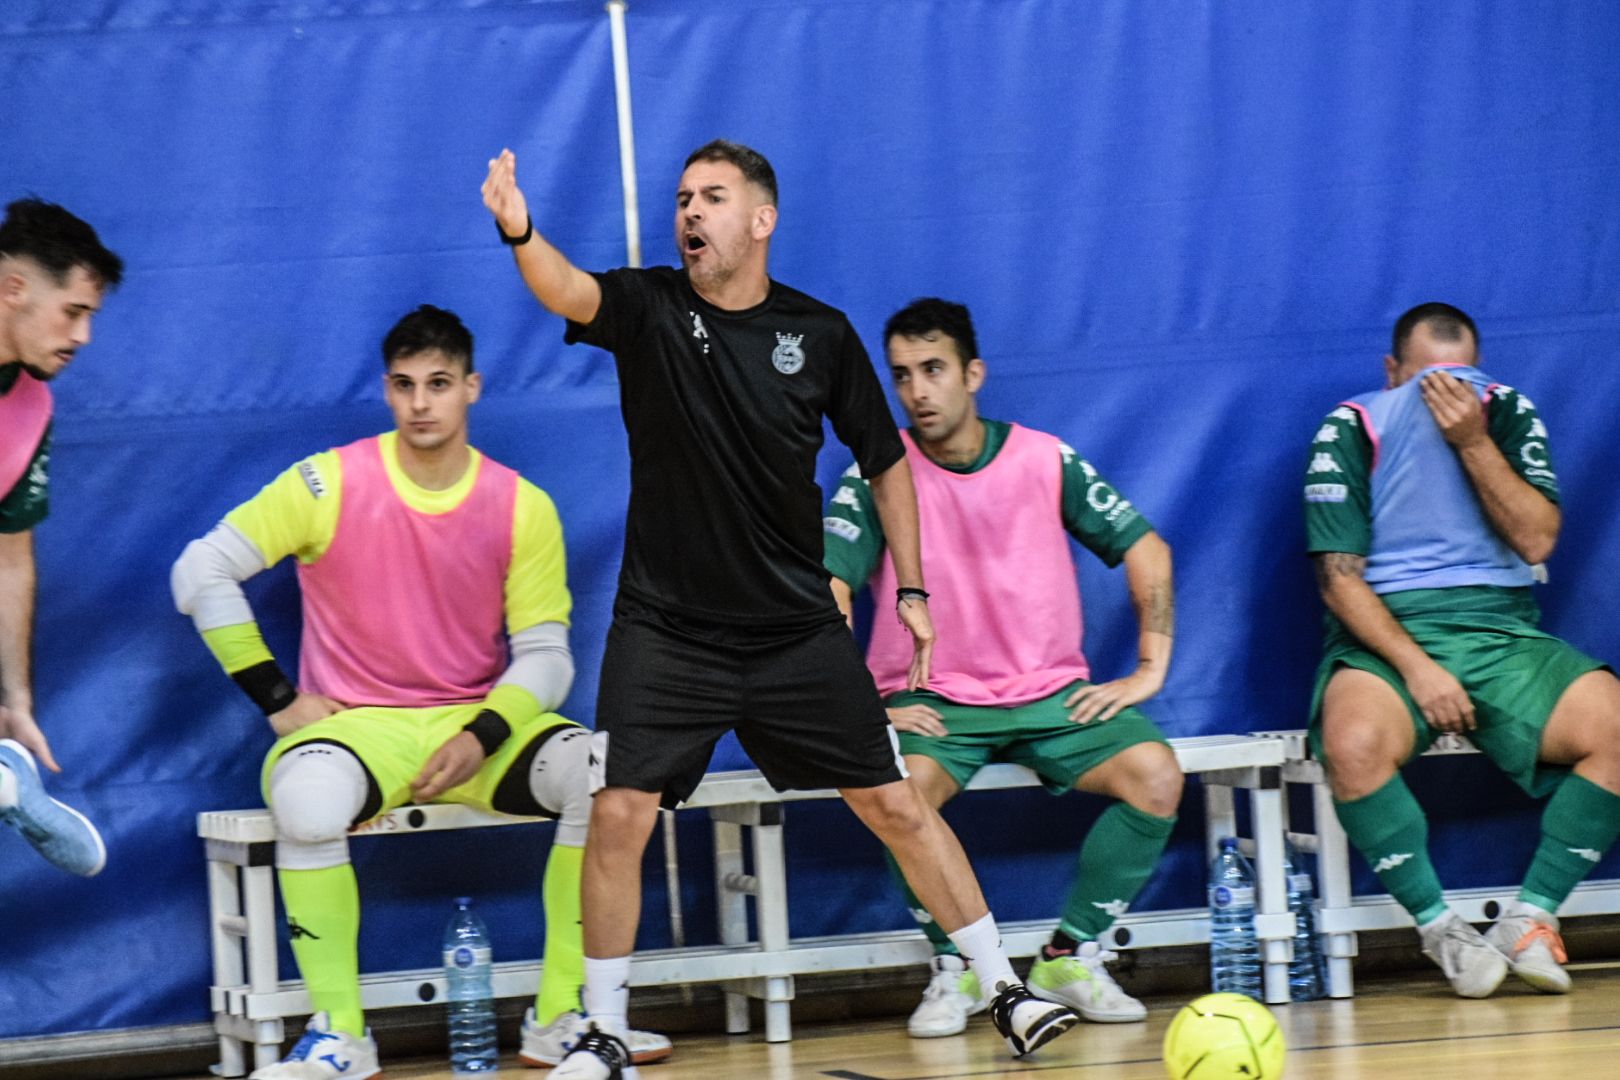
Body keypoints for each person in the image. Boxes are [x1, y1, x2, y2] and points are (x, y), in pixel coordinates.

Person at [481, 141, 1079, 1078]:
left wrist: (912, 589)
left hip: (794, 628)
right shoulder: (647, 308)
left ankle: (1006, 989)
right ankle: (600, 1032)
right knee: (620, 811)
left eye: (712, 197)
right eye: (682, 198)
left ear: (760, 220)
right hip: (668, 627)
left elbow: (885, 463)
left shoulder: (822, 333)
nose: (691, 212)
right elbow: (563, 288)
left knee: (893, 801)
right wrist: (518, 225)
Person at [172, 306, 669, 1079]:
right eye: (405, 386)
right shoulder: (327, 481)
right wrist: (278, 699)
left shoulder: (519, 503)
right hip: (358, 733)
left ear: (471, 387)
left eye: (439, 384)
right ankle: (340, 1034)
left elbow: (547, 658)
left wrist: (483, 733)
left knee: (608, 772)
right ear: (387, 390)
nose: (421, 403)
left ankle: (560, 1017)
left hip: (479, 735)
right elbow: (199, 572)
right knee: (304, 804)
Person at [823, 298, 1180, 1037]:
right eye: (902, 376)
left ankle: (1067, 955)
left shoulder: (1045, 458)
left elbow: (1148, 550)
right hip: (933, 703)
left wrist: (1149, 668)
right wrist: (867, 702)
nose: (918, 391)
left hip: (1051, 696)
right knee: (902, 796)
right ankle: (954, 965)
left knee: (1156, 775)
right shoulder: (878, 472)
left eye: (933, 370)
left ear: (972, 373)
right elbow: (829, 589)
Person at [1306, 302, 1620, 999]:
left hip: (1502, 630)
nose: (1444, 398)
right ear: (1392, 373)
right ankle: (1440, 930)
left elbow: (1538, 541)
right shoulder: (1352, 424)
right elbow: (1337, 578)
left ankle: (1531, 920)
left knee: (1618, 727)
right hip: (1389, 634)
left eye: (1461, 379)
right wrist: (1418, 669)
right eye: (1426, 382)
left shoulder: (1503, 413)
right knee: (1351, 742)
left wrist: (1472, 442)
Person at [0, 198, 121, 878]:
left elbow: (10, 559)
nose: (83, 336)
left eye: (90, 317)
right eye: (73, 312)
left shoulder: (31, 408)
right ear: (14, 290)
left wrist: (18, 703)